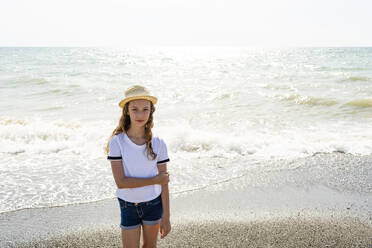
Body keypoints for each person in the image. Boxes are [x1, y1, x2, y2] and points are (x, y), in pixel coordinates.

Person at [105, 85, 171, 248]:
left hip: (153, 204)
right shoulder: (117, 142)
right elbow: (121, 182)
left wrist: (166, 217)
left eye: (145, 109)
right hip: (128, 204)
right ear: (127, 111)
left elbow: (164, 183)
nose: (140, 114)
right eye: (135, 109)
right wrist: (155, 179)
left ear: (151, 111)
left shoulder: (159, 143)